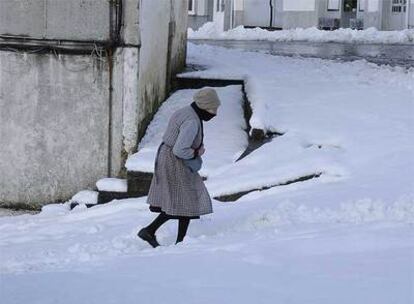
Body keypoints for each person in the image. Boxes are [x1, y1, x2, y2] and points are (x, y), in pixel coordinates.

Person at [138, 88, 221, 248]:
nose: (215, 113)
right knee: (185, 201)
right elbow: (180, 149)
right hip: (175, 161)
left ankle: (156, 233)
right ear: (204, 107)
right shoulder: (192, 121)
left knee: (181, 202)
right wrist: (197, 151)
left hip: (168, 157)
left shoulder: (187, 111)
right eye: (213, 109)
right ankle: (173, 240)